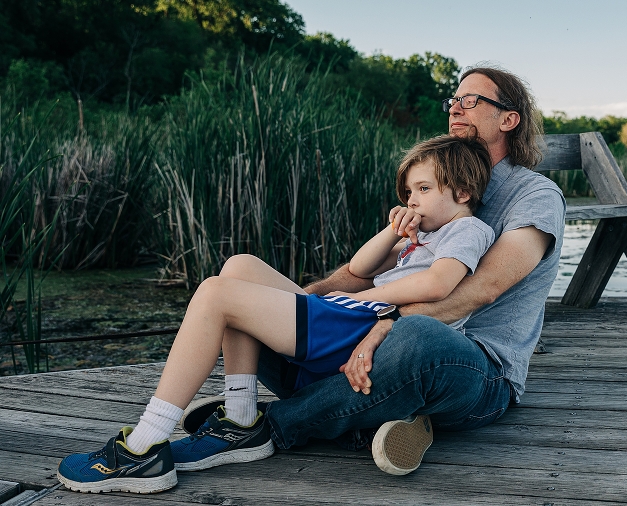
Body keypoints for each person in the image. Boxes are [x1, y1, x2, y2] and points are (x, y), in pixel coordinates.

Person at [56, 134, 499, 493]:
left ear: (461, 193)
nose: (412, 201)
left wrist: (366, 301)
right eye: (407, 192)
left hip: (361, 324)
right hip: (347, 316)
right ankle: (242, 417)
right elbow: (361, 268)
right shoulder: (415, 239)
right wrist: (392, 234)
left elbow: (440, 283)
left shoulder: (467, 228)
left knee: (216, 295)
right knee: (239, 268)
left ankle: (144, 446)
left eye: (423, 190)